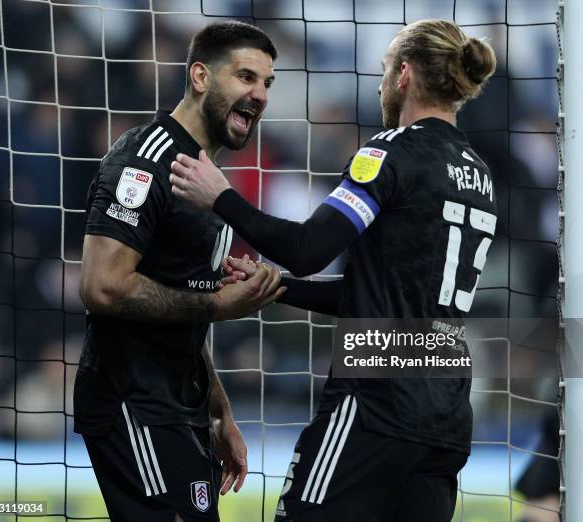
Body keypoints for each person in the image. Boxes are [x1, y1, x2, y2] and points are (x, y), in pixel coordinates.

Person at [169, 19, 497, 522]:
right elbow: (382, 293)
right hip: (446, 413)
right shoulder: (479, 173)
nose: (382, 83)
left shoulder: (390, 154)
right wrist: (279, 288)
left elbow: (306, 248)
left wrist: (223, 198)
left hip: (376, 401)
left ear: (405, 74)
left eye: (386, 70)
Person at [73, 21, 283, 522]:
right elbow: (101, 286)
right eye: (246, 77)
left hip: (180, 407)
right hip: (133, 405)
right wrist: (216, 304)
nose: (260, 95)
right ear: (200, 77)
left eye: (268, 84)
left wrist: (217, 407)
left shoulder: (206, 177)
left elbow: (178, 304)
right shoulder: (144, 161)